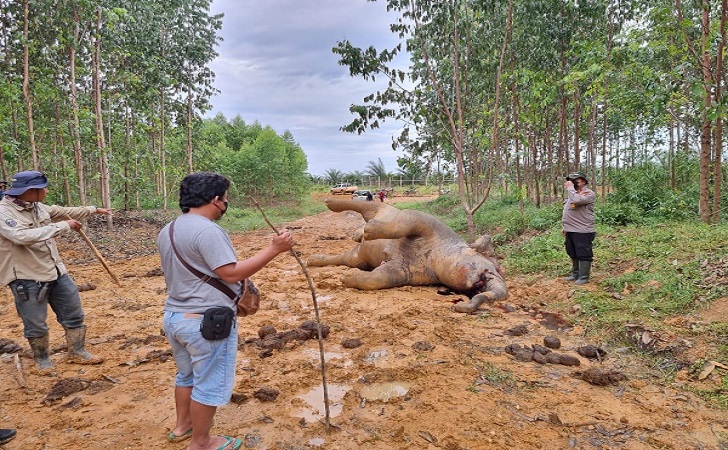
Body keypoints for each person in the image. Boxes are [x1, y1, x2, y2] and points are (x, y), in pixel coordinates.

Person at [157, 172, 294, 450]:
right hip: (205, 323)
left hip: (175, 317)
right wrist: (274, 249)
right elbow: (229, 273)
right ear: (216, 200)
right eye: (226, 198)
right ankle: (202, 442)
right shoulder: (208, 230)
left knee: (187, 376)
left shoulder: (169, 229)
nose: (226, 204)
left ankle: (183, 426)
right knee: (208, 384)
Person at [0, 170, 111, 370]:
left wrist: (93, 210)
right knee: (36, 323)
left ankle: (77, 351)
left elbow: (61, 210)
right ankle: (42, 360)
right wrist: (63, 226)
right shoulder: (4, 212)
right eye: (43, 188)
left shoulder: (37, 206)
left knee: (74, 312)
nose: (47, 191)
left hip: (55, 271)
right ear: (30, 191)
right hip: (27, 276)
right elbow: (21, 237)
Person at [562, 171, 596, 285]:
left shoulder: (588, 193)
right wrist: (565, 226)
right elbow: (568, 210)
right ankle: (575, 274)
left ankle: (584, 277)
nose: (573, 183)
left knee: (583, 252)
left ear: (584, 182)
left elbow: (577, 200)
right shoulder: (573, 194)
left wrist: (571, 188)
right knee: (572, 251)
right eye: (571, 181)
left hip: (583, 230)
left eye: (576, 181)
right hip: (570, 229)